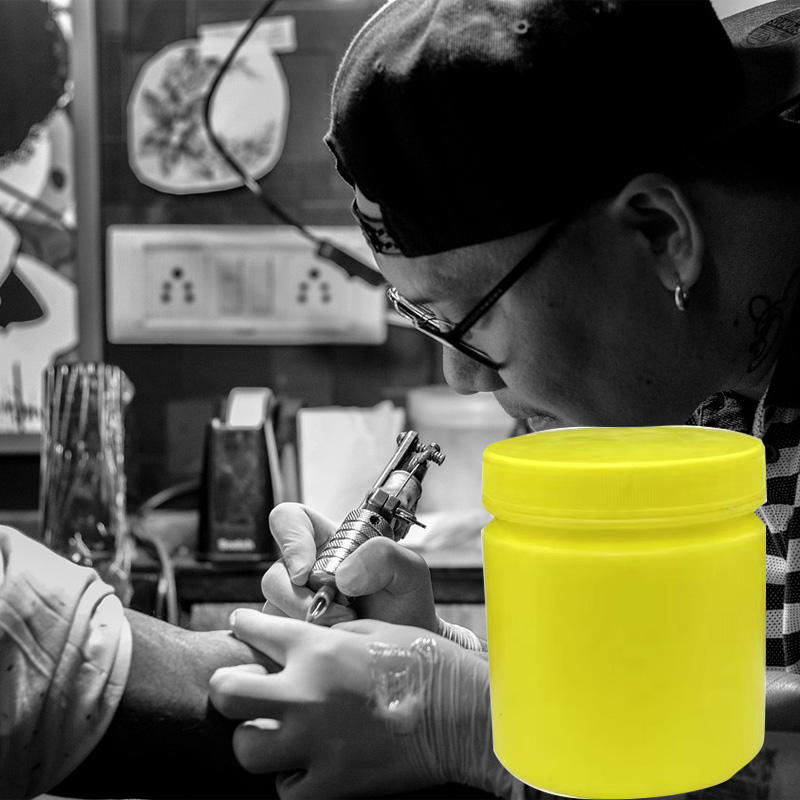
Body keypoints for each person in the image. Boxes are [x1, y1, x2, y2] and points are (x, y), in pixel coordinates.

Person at [208, 0, 800, 798]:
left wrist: (473, 725)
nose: (463, 379)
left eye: (469, 320)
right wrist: (442, 659)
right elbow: (701, 692)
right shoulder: (691, 368)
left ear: (660, 232)